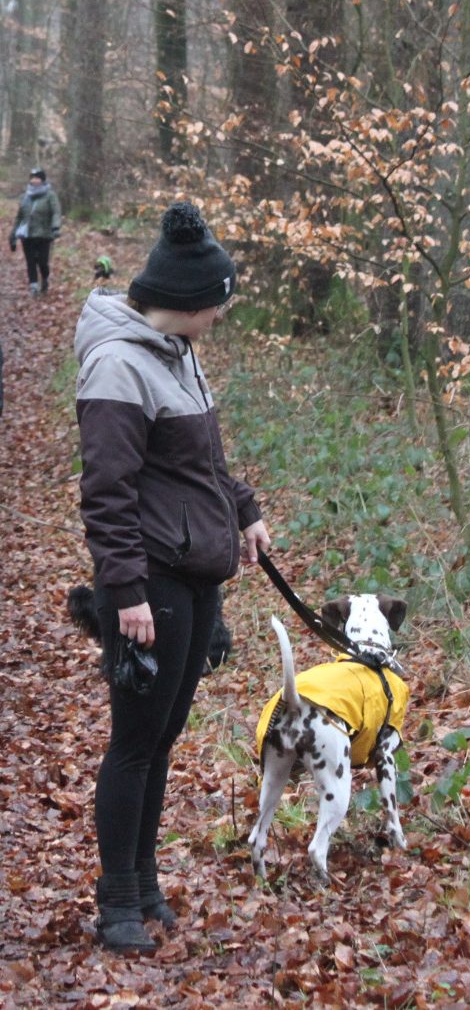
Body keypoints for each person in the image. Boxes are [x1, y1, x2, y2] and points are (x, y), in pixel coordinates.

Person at [74, 201, 270, 953]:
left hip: (196, 575)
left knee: (163, 738)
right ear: (189, 303)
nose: (221, 313)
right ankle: (116, 898)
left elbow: (205, 461)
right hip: (149, 581)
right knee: (133, 741)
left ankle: (145, 880)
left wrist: (244, 510)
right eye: (218, 301)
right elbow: (107, 492)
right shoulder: (119, 363)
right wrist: (123, 592)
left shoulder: (176, 350)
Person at [9, 167, 61, 297]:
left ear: (42, 180)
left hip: (44, 235)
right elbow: (19, 217)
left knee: (43, 262)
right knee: (30, 261)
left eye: (37, 178)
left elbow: (56, 212)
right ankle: (33, 286)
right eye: (33, 178)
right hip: (27, 235)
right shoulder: (25, 196)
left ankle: (44, 279)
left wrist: (55, 227)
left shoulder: (50, 195)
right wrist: (13, 236)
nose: (35, 181)